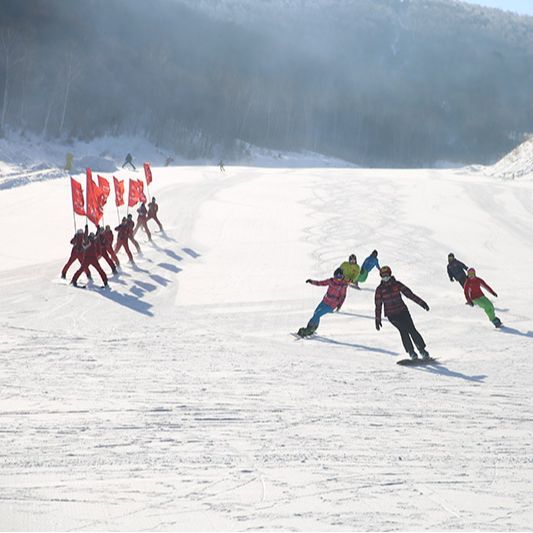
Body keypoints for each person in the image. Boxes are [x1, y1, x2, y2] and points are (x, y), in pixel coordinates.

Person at [375, 265, 430, 360]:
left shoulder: (397, 284)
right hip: (392, 315)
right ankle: (411, 352)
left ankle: (422, 350)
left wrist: (422, 303)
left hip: (403, 311)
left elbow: (410, 294)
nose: (385, 277)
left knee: (411, 329)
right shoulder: (379, 289)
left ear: (390, 274)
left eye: (386, 274)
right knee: (403, 330)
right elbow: (378, 305)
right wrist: (377, 319)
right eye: (383, 275)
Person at [297, 268, 349, 337]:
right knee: (316, 312)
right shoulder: (331, 281)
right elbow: (321, 283)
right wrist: (311, 281)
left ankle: (309, 329)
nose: (339, 278)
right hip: (325, 301)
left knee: (317, 314)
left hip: (332, 305)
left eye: (340, 276)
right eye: (337, 276)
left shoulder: (343, 285)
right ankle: (313, 328)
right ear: (334, 275)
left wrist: (339, 306)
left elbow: (342, 296)